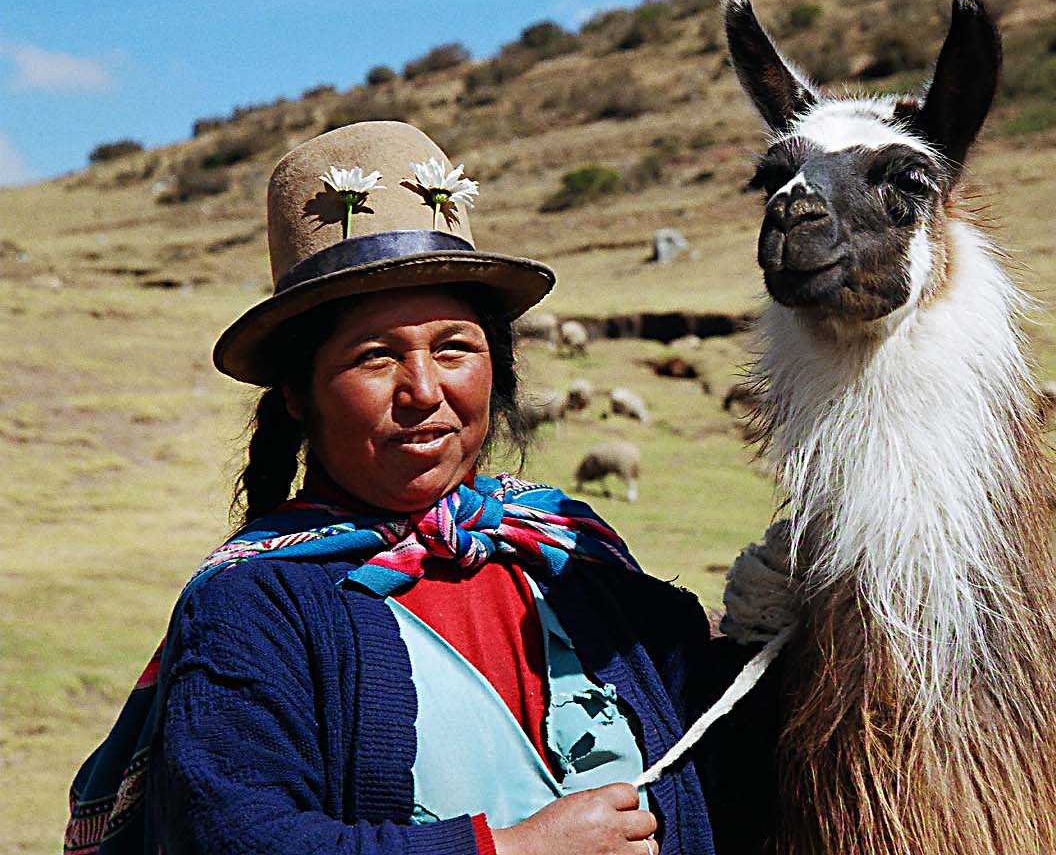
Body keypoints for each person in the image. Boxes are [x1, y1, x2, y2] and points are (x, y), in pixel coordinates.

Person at [65, 121, 781, 855]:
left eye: (454, 348)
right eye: (375, 357)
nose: (424, 391)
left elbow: (733, 745)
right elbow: (235, 837)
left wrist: (813, 608)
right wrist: (511, 850)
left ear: (496, 368)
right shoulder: (257, 605)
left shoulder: (568, 553)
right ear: (295, 392)